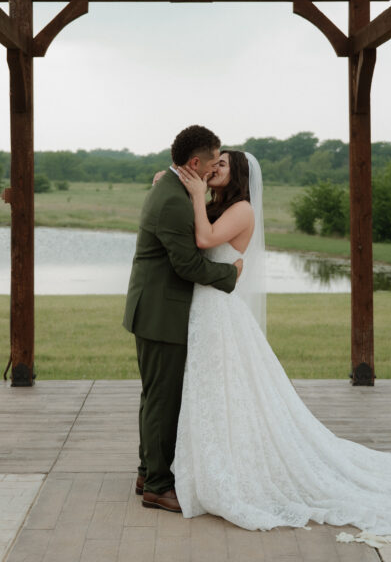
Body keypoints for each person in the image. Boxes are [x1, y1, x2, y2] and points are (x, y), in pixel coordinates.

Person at [171, 149, 391, 537]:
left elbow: (204, 238)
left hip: (219, 308)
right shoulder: (215, 205)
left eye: (223, 164)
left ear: (239, 175)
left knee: (227, 387)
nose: (214, 168)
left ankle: (229, 471)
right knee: (213, 389)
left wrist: (196, 195)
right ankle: (206, 462)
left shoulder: (242, 209)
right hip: (207, 304)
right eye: (213, 162)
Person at [122, 125, 243, 514]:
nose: (214, 168)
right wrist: (230, 274)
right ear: (194, 162)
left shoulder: (173, 188)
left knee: (154, 397)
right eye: (213, 162)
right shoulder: (173, 200)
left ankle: (147, 472)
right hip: (161, 312)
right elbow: (188, 264)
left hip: (156, 308)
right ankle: (158, 486)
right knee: (162, 400)